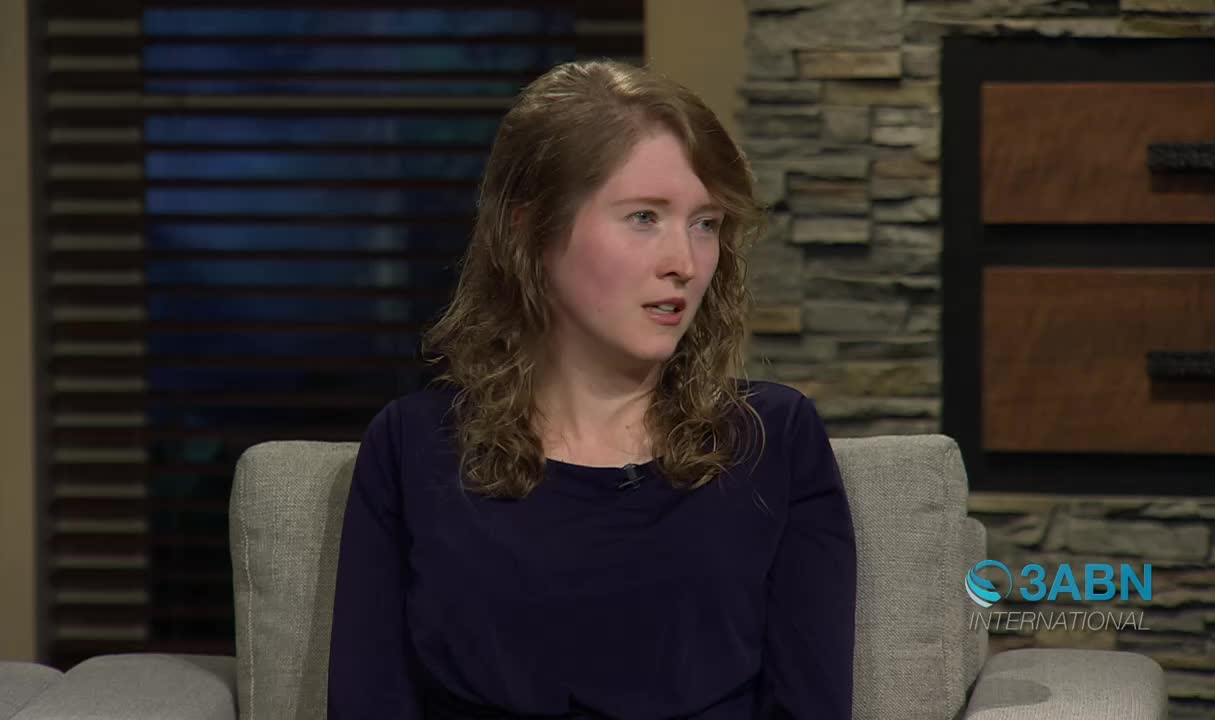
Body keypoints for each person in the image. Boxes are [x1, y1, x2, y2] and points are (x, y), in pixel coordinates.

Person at [327, 59, 856, 719]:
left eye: (706, 223)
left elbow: (812, 704)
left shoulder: (772, 441)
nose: (685, 264)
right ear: (529, 229)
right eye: (644, 217)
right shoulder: (413, 448)